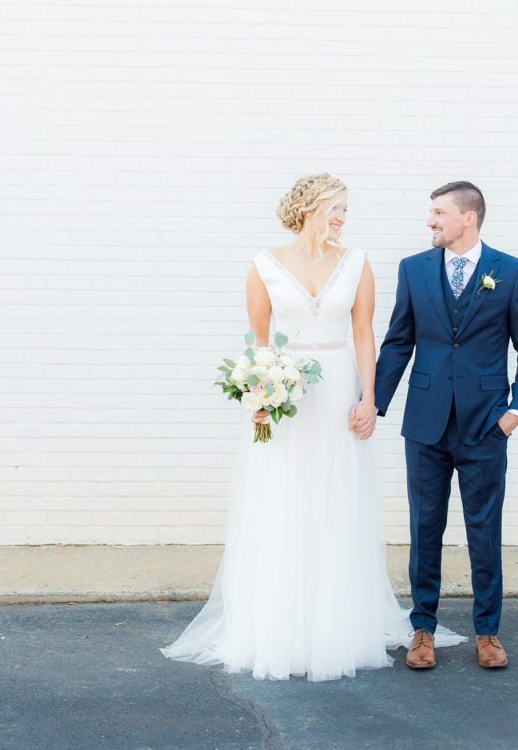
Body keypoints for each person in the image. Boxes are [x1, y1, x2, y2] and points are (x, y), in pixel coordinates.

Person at [160, 173, 465, 681]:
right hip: (288, 395)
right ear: (310, 209)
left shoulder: (357, 263)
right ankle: (282, 628)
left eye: (346, 209)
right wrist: (259, 393)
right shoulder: (264, 265)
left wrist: (369, 398)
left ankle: (335, 624)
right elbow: (259, 339)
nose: (344, 218)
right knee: (284, 500)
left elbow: (366, 335)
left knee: (336, 502)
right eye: (337, 208)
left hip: (339, 390)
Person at [363, 181, 518, 671]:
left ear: (469, 217)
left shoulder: (509, 271)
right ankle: (422, 629)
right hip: (425, 423)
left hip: (487, 424)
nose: (430, 222)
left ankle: (487, 631)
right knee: (425, 527)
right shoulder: (414, 269)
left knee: (484, 531)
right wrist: (372, 403)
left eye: (439, 213)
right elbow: (399, 342)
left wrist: (515, 413)